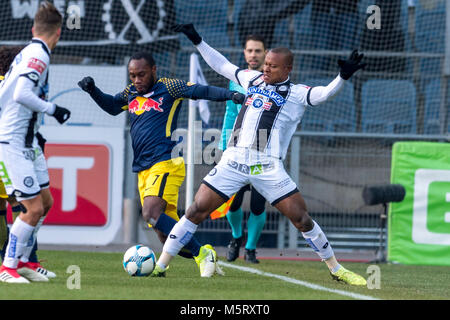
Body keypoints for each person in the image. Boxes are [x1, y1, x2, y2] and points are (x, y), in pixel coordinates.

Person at [153, 23, 367, 286]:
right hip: (233, 160)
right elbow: (221, 65)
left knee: (301, 218)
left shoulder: (297, 94)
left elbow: (323, 95)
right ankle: (160, 266)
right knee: (196, 210)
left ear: (287, 69)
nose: (265, 68)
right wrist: (198, 39)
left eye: (272, 66)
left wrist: (342, 77)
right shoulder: (251, 79)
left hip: (266, 166)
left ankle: (336, 269)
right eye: (265, 63)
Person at [78, 51, 245, 277]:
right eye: (132, 75)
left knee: (150, 213)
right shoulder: (130, 93)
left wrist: (229, 95)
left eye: (141, 75)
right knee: (167, 236)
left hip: (166, 163)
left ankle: (201, 255)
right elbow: (112, 107)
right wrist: (93, 91)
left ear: (154, 71)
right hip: (143, 169)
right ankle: (205, 252)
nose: (137, 80)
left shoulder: (169, 87)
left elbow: (199, 91)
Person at [0, 2, 70, 284]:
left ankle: (26, 261)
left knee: (46, 202)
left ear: (33, 29)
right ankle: (7, 268)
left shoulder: (28, 52)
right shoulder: (39, 54)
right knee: (33, 208)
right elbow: (21, 94)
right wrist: (53, 109)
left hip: (26, 143)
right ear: (59, 32)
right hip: (13, 142)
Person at [0, 45, 56, 279]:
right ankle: (11, 264)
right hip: (8, 148)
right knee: (25, 206)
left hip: (21, 146)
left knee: (34, 205)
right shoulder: (11, 84)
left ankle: (23, 261)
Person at [220, 34, 268, 264]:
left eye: (258, 51)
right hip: (235, 147)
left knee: (258, 204)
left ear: (266, 54)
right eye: (249, 51)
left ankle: (250, 249)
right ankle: (236, 238)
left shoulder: (274, 81)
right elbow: (229, 116)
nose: (253, 55)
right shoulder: (234, 78)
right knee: (234, 201)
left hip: (262, 148)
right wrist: (223, 146)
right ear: (244, 53)